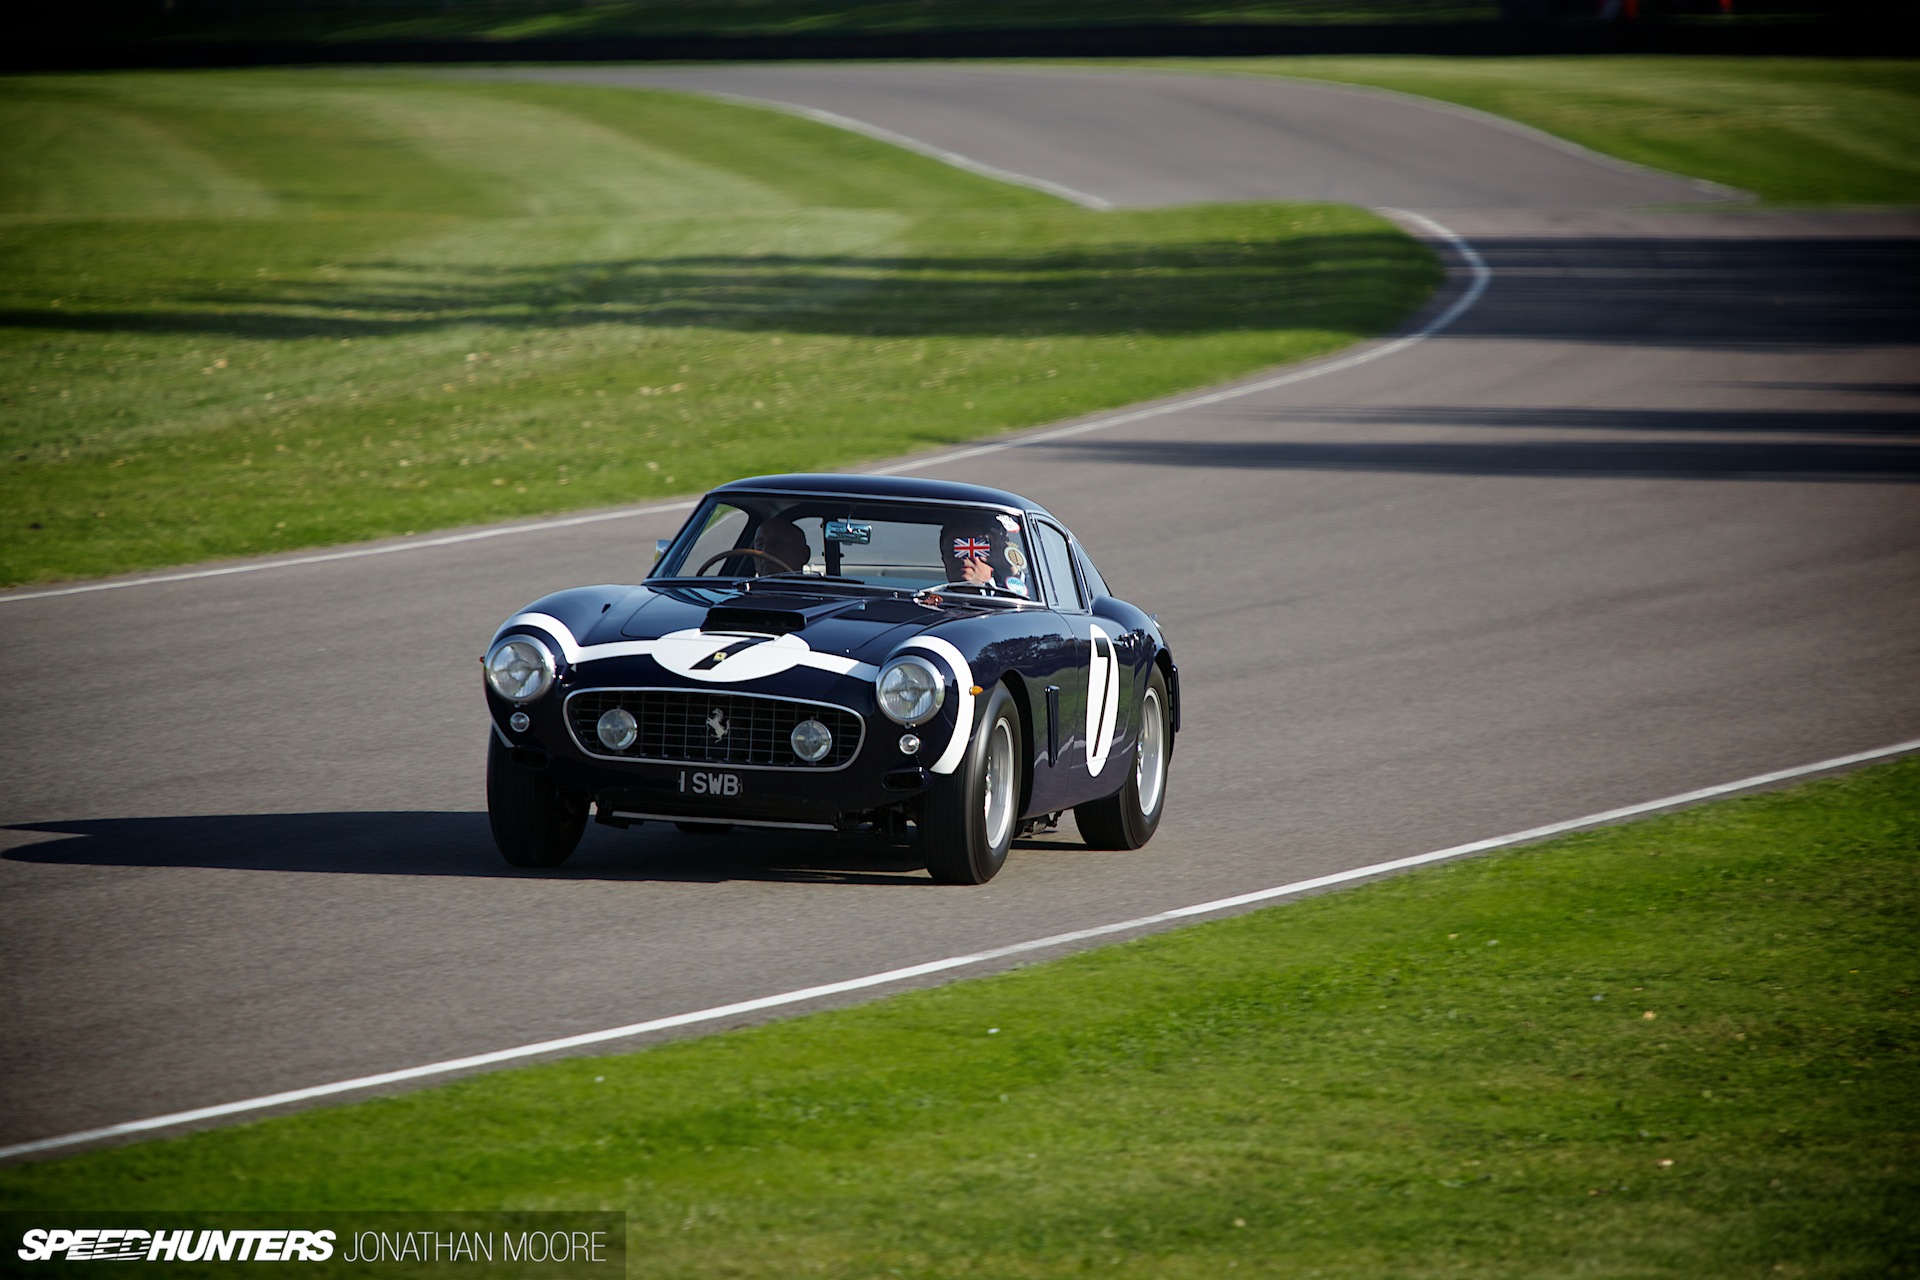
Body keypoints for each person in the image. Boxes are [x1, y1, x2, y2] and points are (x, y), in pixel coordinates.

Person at [938, 521, 1029, 597]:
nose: (963, 558)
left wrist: (1010, 572)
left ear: (992, 552)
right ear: (944, 559)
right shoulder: (931, 605)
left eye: (975, 547)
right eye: (952, 549)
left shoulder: (1012, 597)